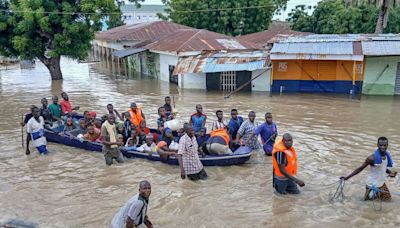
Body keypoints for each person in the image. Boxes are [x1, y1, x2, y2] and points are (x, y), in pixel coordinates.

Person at [340, 137, 397, 201]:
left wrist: (390, 172)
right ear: (377, 145)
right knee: (367, 203)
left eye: (384, 145)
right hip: (372, 185)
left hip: (382, 184)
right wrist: (347, 177)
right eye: (381, 145)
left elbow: (382, 167)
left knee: (388, 200)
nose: (383, 147)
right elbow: (360, 168)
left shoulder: (387, 156)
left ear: (387, 145)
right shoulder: (371, 158)